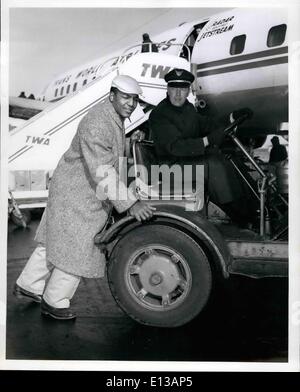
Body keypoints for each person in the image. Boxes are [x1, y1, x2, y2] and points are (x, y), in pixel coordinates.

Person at [14, 74, 156, 320]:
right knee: (79, 247)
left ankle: (28, 285)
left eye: (134, 99)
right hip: (78, 193)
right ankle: (54, 302)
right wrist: (129, 203)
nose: (130, 104)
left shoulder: (112, 117)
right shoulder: (99, 122)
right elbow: (102, 169)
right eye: (125, 97)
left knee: (54, 240)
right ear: (111, 96)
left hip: (76, 188)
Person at [149, 68, 255, 226]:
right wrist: (207, 140)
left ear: (187, 91)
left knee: (229, 158)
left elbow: (208, 123)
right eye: (174, 88)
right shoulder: (160, 114)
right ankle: (242, 216)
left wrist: (232, 117)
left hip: (185, 164)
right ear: (168, 89)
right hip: (169, 168)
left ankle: (257, 205)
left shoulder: (188, 109)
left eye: (183, 89)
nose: (178, 94)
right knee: (213, 165)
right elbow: (175, 147)